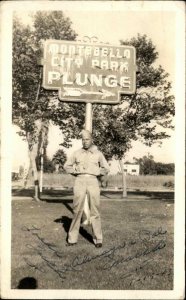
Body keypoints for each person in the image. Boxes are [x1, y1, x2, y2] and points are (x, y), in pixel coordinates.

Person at [64, 129, 109, 248]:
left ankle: (98, 239)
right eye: (83, 140)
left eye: (87, 139)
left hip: (93, 181)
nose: (85, 142)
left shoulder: (98, 153)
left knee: (95, 210)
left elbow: (106, 168)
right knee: (77, 209)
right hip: (79, 181)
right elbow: (67, 166)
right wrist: (76, 172)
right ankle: (72, 239)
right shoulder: (76, 153)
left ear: (91, 140)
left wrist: (95, 172)